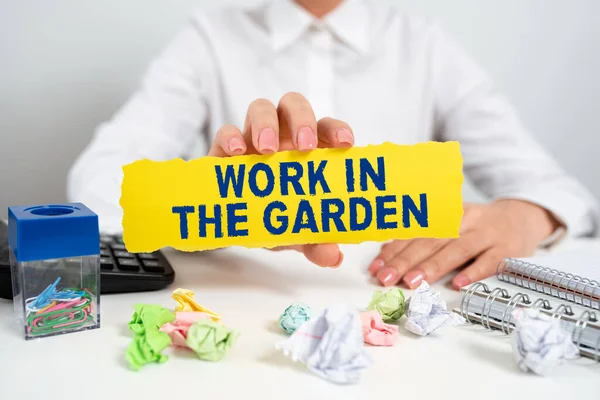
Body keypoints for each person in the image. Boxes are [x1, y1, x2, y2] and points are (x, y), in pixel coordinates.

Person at [67, 0, 599, 291]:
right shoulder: (208, 38)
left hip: (402, 315)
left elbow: (556, 190)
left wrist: (525, 217)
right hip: (240, 322)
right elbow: (96, 185)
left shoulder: (426, 46)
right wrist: (208, 206)